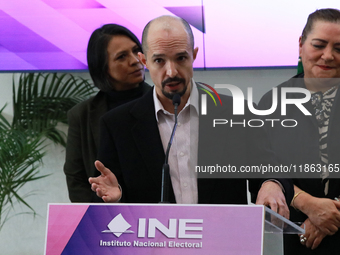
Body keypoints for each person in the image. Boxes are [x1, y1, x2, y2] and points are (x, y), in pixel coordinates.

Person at [89, 16, 293, 216]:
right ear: (144, 61)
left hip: (224, 242)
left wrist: (271, 184)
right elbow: (110, 198)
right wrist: (116, 198)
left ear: (194, 55)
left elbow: (270, 166)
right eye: (159, 60)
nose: (171, 71)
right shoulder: (117, 124)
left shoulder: (236, 112)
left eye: (181, 58)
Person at [258, 8, 340, 255]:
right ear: (301, 45)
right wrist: (309, 205)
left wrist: (331, 214)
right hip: (293, 236)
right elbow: (262, 168)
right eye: (319, 45)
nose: (328, 56)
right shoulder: (271, 103)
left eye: (339, 48)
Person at [64, 24, 150, 202]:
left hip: (161, 215)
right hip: (105, 217)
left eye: (136, 51)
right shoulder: (82, 115)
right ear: (102, 68)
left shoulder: (165, 103)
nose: (135, 60)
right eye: (121, 56)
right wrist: (98, 220)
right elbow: (77, 180)